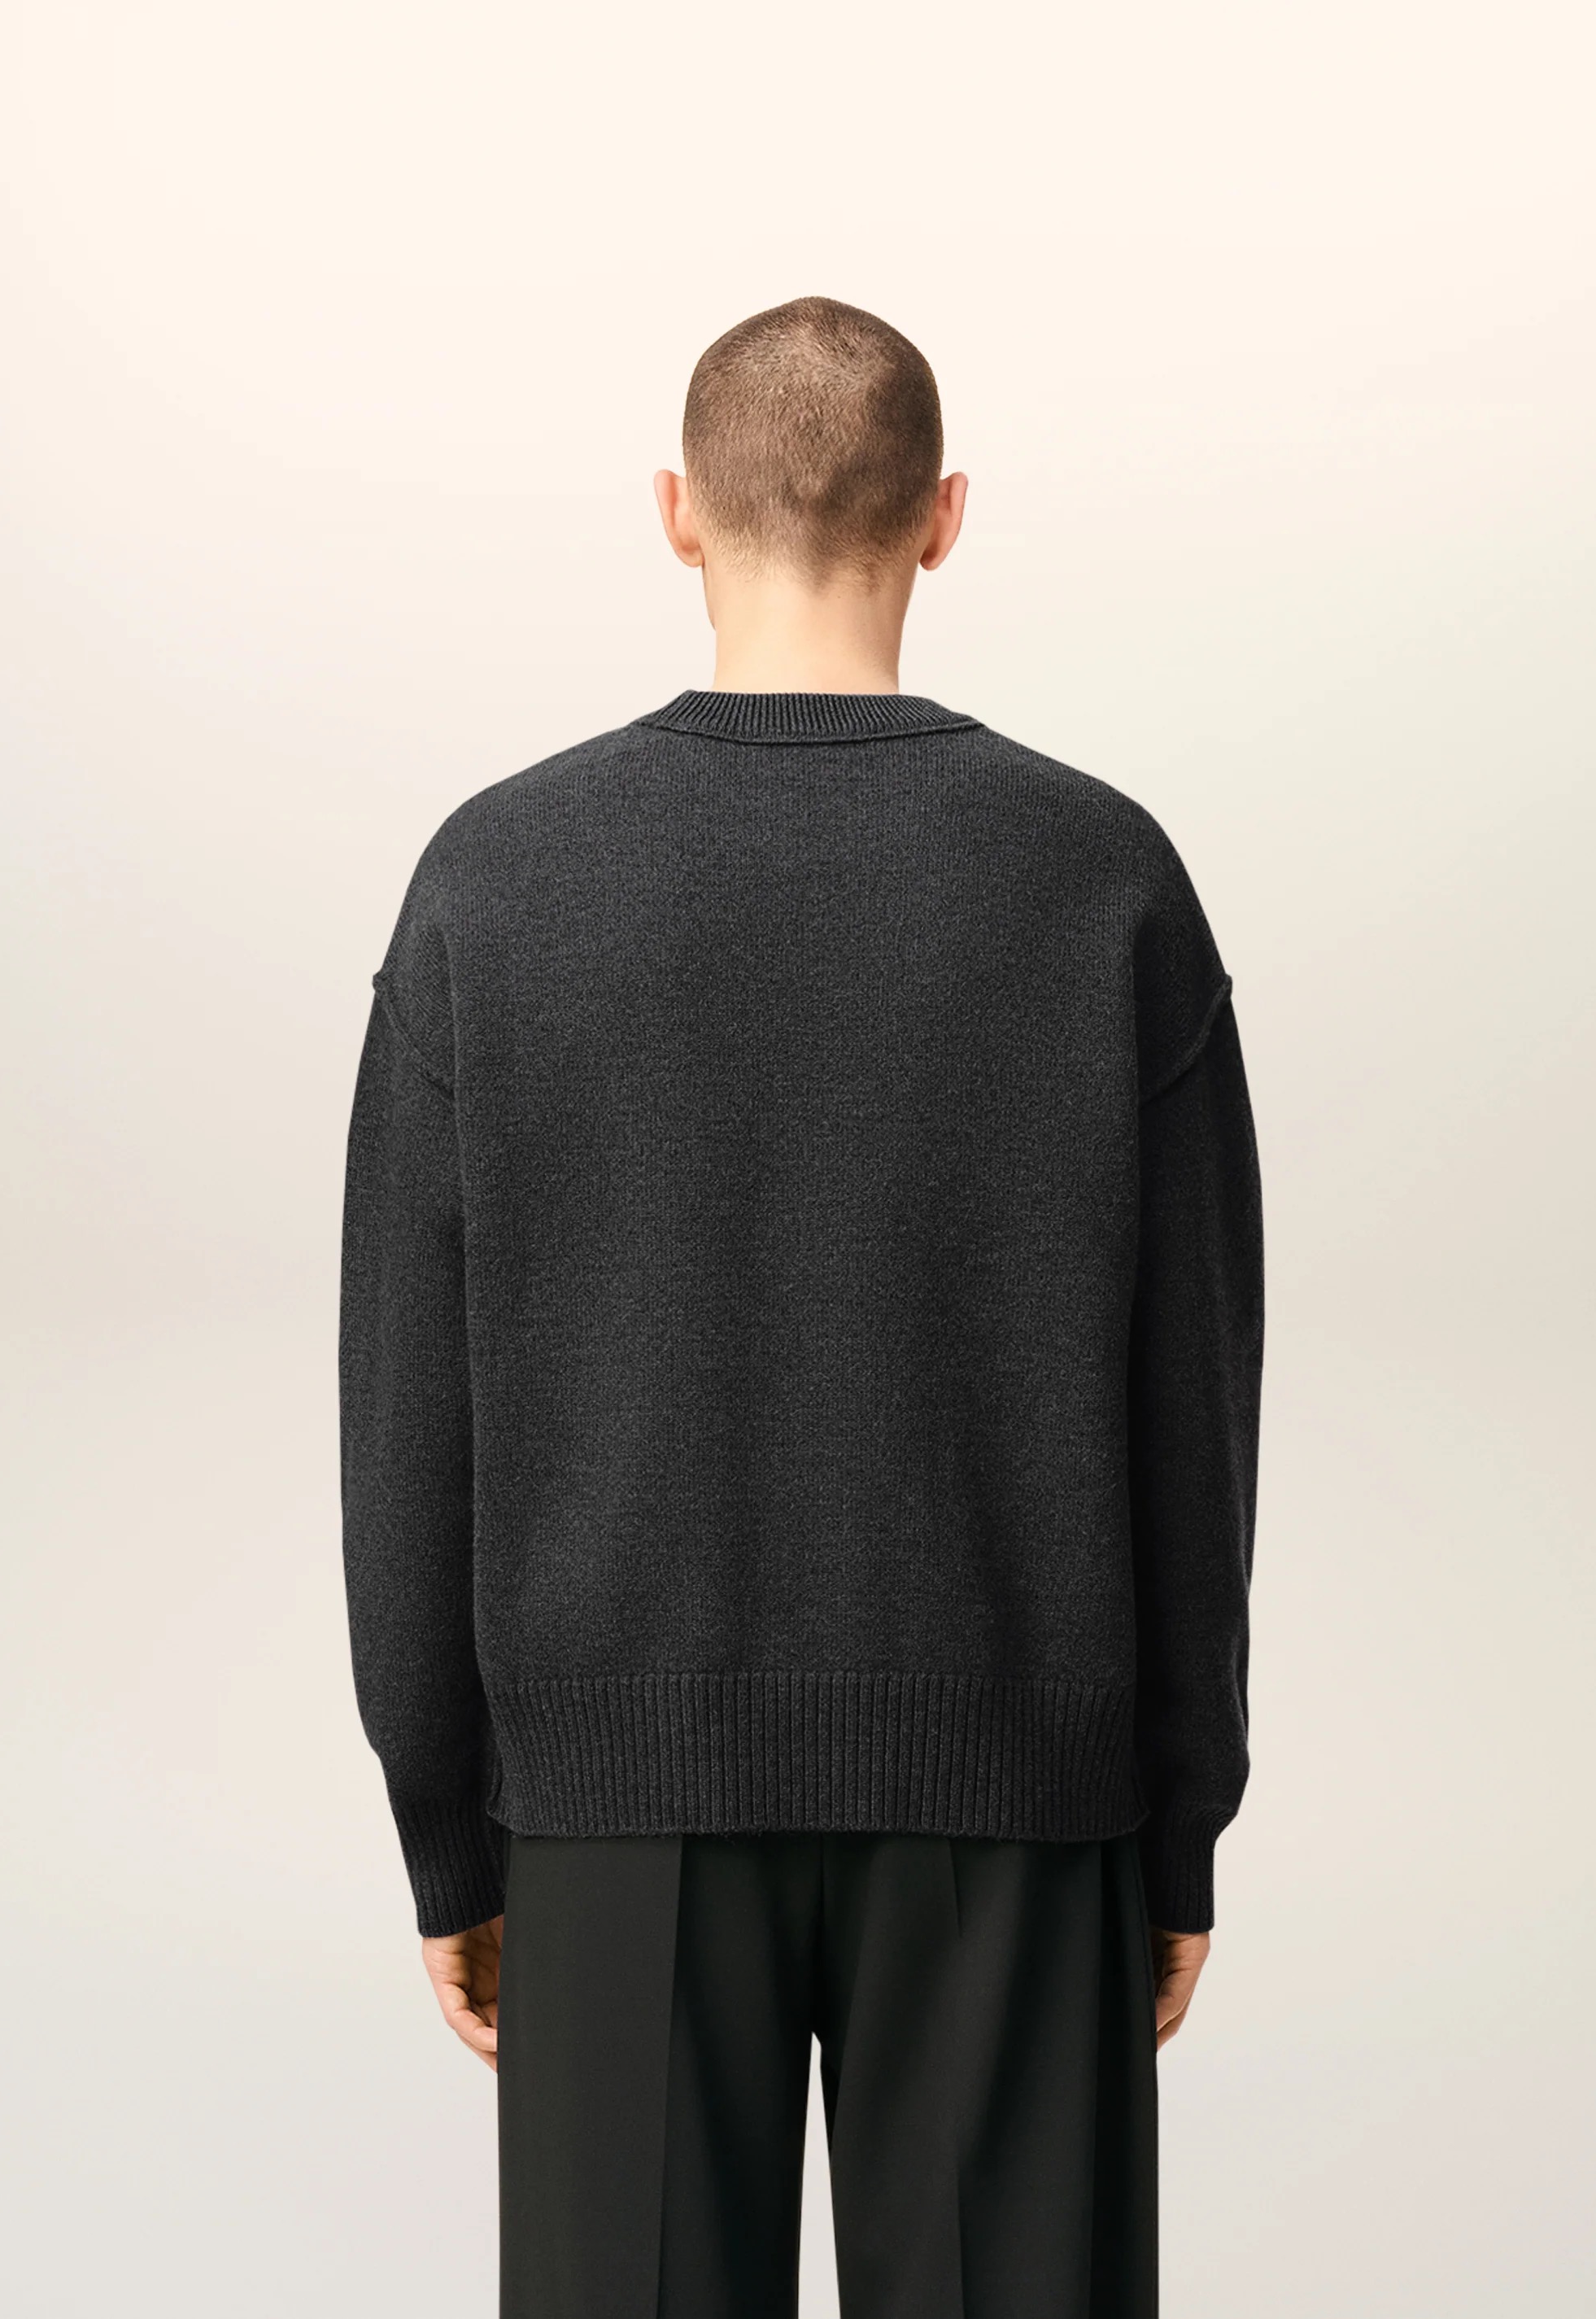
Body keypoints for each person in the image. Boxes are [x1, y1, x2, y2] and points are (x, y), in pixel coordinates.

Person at [338, 295, 1265, 2318]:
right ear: (945, 517)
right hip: (1019, 1807)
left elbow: (408, 1414)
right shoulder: (1101, 881)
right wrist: (1180, 1817)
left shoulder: (494, 882)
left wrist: (449, 1829)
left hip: (614, 1809)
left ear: (677, 512)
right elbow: (1193, 1406)